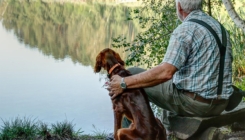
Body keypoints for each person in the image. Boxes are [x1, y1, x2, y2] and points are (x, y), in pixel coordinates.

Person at [107, 0, 245, 138]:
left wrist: (124, 82)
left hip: (197, 105)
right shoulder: (219, 27)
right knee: (154, 80)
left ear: (179, 7)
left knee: (131, 74)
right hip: (221, 103)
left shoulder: (185, 29)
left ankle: (128, 135)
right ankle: (156, 129)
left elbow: (166, 72)